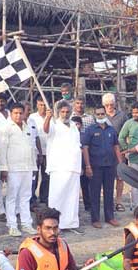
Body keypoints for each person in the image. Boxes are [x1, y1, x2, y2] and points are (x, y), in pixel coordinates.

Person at [43, 101, 83, 234]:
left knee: (72, 197)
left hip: (73, 166)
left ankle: (69, 223)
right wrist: (48, 118)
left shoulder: (73, 125)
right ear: (58, 112)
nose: (65, 114)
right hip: (59, 166)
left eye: (67, 112)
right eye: (62, 112)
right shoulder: (54, 124)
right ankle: (53, 224)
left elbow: (77, 145)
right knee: (57, 196)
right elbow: (46, 130)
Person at [0, 102, 37, 237]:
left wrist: (34, 167)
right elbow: (2, 150)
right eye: (15, 113)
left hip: (27, 167)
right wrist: (3, 169)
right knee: (11, 197)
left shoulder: (28, 127)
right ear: (11, 113)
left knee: (26, 196)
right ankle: (12, 225)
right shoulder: (6, 128)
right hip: (13, 168)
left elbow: (32, 148)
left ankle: (26, 224)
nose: (18, 115)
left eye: (21, 113)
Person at [81, 104, 123, 228]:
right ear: (95, 115)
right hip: (95, 166)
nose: (100, 116)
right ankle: (95, 219)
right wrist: (87, 166)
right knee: (94, 193)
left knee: (109, 192)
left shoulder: (111, 130)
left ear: (105, 114)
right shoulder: (90, 130)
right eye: (98, 114)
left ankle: (110, 217)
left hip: (110, 165)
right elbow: (85, 148)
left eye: (102, 114)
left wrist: (120, 164)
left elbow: (116, 146)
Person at [102, 93, 128, 212]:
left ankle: (119, 201)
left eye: (111, 104)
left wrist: (126, 149)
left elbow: (127, 132)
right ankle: (108, 201)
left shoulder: (122, 116)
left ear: (114, 104)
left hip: (119, 150)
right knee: (107, 177)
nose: (109, 107)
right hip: (104, 151)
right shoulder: (101, 116)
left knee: (120, 176)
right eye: (106, 105)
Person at [72, 96, 94, 211]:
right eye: (77, 103)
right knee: (73, 185)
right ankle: (73, 206)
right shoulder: (69, 118)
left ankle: (88, 205)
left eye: (81, 103)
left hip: (85, 158)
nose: (79, 105)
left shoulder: (90, 119)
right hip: (72, 160)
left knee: (86, 183)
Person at [28, 97, 50, 206]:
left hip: (49, 151)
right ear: (37, 104)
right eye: (41, 104)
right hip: (36, 152)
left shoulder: (51, 117)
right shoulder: (32, 117)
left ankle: (44, 198)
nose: (43, 107)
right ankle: (32, 198)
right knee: (34, 177)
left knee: (46, 177)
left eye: (44, 105)